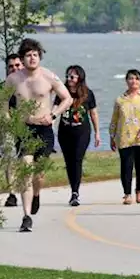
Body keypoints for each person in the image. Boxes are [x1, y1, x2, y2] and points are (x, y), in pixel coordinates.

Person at [5, 39, 72, 233]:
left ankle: (36, 195)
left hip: (44, 130)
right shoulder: (13, 79)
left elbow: (67, 98)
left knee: (38, 174)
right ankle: (26, 216)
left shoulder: (49, 76)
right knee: (25, 170)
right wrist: (8, 119)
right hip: (24, 129)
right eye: (28, 55)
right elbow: (1, 103)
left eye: (35, 54)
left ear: (39, 57)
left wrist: (53, 114)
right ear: (22, 58)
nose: (32, 58)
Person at [56, 65, 100, 207]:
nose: (69, 79)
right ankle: (73, 189)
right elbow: (56, 109)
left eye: (72, 76)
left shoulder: (87, 93)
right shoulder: (62, 92)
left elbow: (93, 113)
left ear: (80, 77)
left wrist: (97, 133)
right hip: (65, 131)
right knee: (69, 162)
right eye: (68, 76)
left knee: (77, 159)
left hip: (82, 132)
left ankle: (75, 192)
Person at [109, 69, 140, 205]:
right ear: (126, 81)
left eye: (136, 78)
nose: (133, 81)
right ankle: (127, 194)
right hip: (125, 138)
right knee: (126, 166)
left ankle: (139, 190)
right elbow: (115, 119)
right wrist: (112, 136)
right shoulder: (120, 100)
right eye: (130, 78)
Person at [1, 53, 24, 207]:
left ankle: (28, 192)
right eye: (11, 66)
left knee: (26, 160)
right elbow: (1, 107)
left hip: (27, 126)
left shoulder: (29, 84)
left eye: (17, 65)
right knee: (10, 159)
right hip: (8, 126)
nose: (14, 68)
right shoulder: (3, 86)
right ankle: (12, 194)